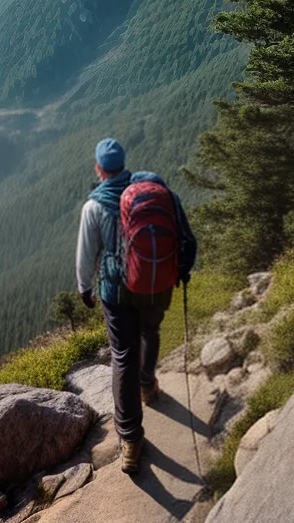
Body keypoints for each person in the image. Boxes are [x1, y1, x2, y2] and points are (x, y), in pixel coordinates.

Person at [75, 137, 197, 474]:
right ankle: (147, 384)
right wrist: (180, 271)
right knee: (150, 331)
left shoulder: (94, 207)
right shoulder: (155, 192)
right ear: (123, 165)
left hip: (116, 291)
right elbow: (186, 237)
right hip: (157, 283)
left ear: (100, 169)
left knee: (121, 355)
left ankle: (130, 438)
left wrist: (85, 289)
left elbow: (86, 257)